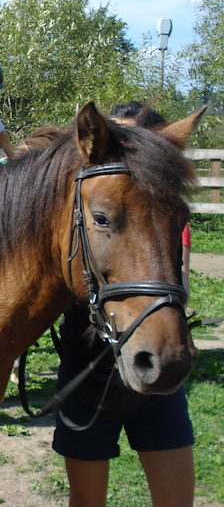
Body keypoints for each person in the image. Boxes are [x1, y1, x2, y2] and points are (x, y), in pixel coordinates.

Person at [51, 103, 195, 507]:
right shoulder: (82, 208)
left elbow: (178, 279)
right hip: (86, 381)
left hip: (156, 384)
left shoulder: (159, 212)